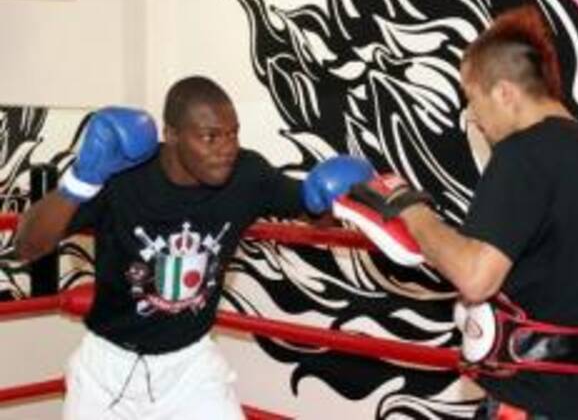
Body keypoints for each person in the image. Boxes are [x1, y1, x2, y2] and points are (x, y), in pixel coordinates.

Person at [14, 76, 374, 419]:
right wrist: (82, 179)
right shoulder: (124, 176)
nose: (226, 149)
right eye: (210, 137)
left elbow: (313, 213)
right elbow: (28, 245)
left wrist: (330, 199)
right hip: (107, 369)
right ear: (171, 135)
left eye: (233, 134)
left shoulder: (247, 175)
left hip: (191, 369)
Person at [332, 5, 578, 419]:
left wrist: (409, 208)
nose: (472, 116)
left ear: (505, 93)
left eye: (472, 99)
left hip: (539, 399)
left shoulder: (522, 153)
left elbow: (476, 276)